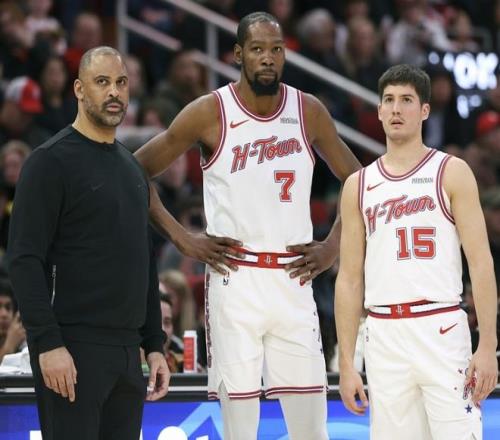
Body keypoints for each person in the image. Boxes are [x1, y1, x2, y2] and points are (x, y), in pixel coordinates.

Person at [134, 11, 360, 440]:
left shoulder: (308, 111)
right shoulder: (209, 111)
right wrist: (182, 238)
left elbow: (361, 182)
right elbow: (133, 171)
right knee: (240, 427)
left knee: (312, 428)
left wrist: (333, 245)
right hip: (235, 279)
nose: (268, 58)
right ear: (239, 54)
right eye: (257, 49)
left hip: (293, 280)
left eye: (276, 49)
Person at [6, 46, 169, 440]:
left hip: (128, 355)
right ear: (79, 89)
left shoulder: (132, 168)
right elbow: (24, 259)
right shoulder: (49, 162)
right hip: (72, 349)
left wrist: (154, 344)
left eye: (121, 83)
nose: (114, 92)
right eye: (102, 82)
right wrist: (47, 343)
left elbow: (143, 263)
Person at [335, 64, 498, 439]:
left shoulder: (451, 171)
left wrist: (488, 344)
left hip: (441, 327)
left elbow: (481, 263)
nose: (396, 109)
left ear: (424, 110)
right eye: (389, 100)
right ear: (378, 110)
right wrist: (346, 362)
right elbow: (349, 279)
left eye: (406, 100)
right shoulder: (358, 185)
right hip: (383, 333)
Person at [0, 278, 26, 363]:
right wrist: (8, 347)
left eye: (8, 308)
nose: (4, 314)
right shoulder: (12, 342)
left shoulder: (23, 342)